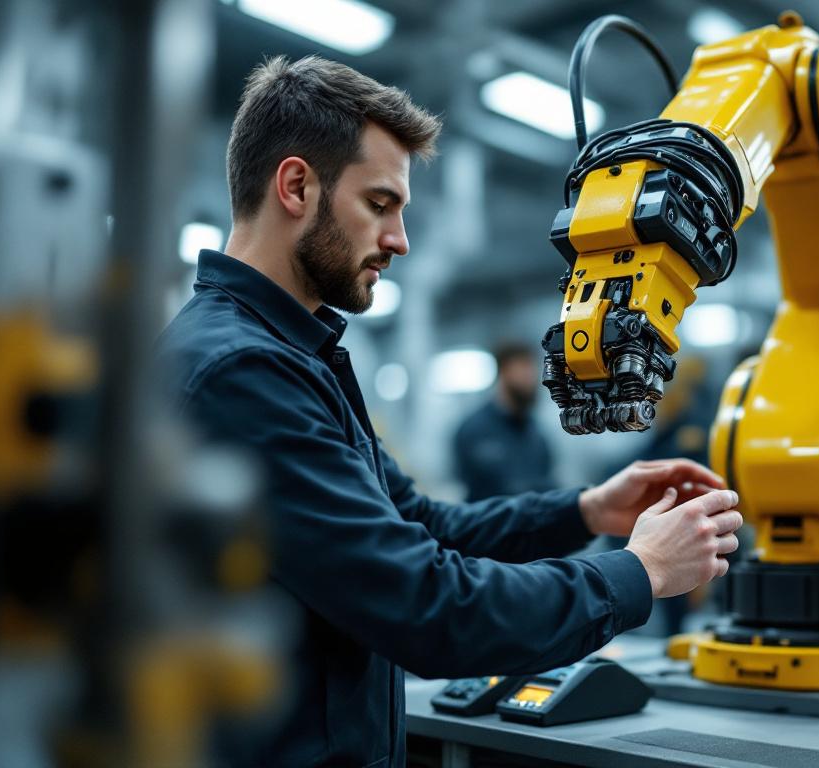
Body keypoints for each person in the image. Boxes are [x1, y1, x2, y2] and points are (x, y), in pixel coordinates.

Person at [154, 56, 742, 767]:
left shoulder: (294, 358)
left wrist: (587, 510)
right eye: (380, 204)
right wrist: (640, 572)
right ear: (297, 186)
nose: (399, 239)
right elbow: (425, 606)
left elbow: (424, 524)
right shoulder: (244, 371)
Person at [452, 341, 556, 501]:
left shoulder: (536, 434)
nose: (531, 378)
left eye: (532, 370)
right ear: (504, 372)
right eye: (523, 369)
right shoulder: (472, 430)